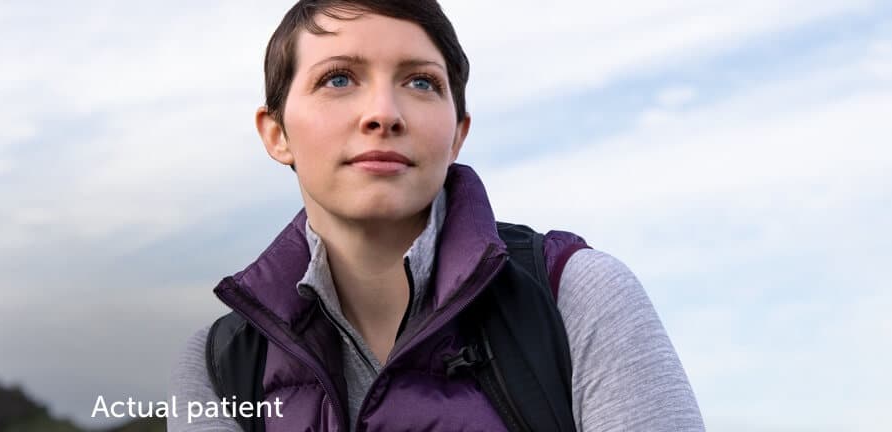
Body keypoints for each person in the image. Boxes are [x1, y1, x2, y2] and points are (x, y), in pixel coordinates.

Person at [169, 1, 704, 430]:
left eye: (421, 82)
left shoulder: (579, 295)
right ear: (276, 133)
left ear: (458, 135)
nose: (383, 113)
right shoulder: (217, 365)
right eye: (338, 79)